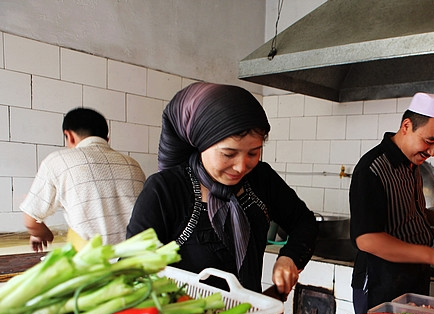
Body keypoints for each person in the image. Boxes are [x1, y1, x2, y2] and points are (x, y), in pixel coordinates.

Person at [126, 82, 317, 295]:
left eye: (253, 153)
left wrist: (289, 257)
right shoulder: (165, 189)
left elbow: (304, 222)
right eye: (228, 154)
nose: (241, 166)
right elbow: (133, 269)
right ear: (201, 142)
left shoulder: (262, 179)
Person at [349, 92, 434, 314]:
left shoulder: (412, 164)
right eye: (429, 141)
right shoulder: (372, 169)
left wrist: (431, 216)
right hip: (381, 285)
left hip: (411, 281)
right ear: (406, 126)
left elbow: (402, 210)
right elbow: (367, 239)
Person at [20, 107, 146, 252]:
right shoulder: (132, 164)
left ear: (70, 136)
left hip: (93, 262)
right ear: (106, 139)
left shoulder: (58, 161)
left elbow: (31, 221)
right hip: (134, 258)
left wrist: (42, 234)